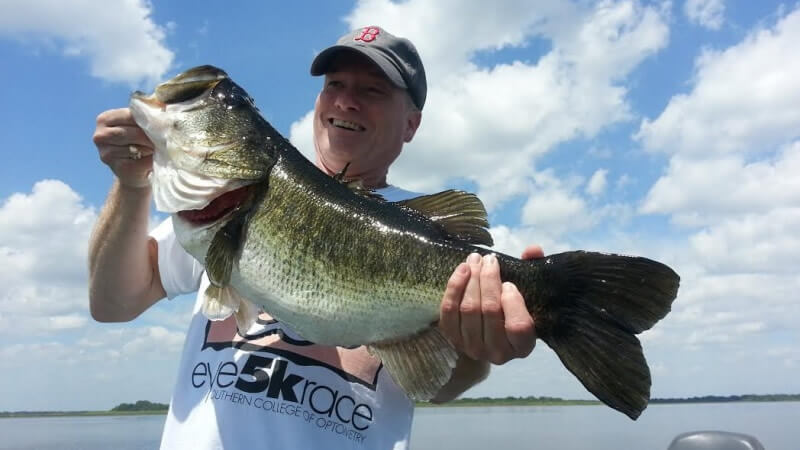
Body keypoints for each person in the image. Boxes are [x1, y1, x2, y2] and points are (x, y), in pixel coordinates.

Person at [90, 26, 542, 449]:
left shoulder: (421, 226)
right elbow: (113, 304)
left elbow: (436, 384)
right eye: (335, 85)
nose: (346, 101)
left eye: (372, 90)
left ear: (411, 124)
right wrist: (132, 186)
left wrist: (477, 346)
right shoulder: (216, 206)